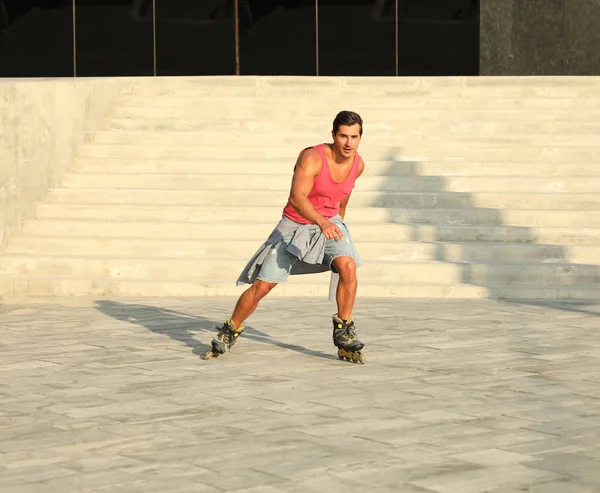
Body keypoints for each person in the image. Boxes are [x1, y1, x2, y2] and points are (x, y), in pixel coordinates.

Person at [204, 110, 367, 363]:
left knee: (348, 265)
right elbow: (297, 198)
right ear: (333, 135)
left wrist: (339, 228)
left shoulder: (358, 164)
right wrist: (322, 222)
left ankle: (344, 330)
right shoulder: (312, 157)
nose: (348, 143)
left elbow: (342, 198)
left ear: (360, 137)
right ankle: (230, 329)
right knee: (263, 285)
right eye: (343, 136)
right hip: (296, 223)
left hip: (330, 222)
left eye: (354, 137)